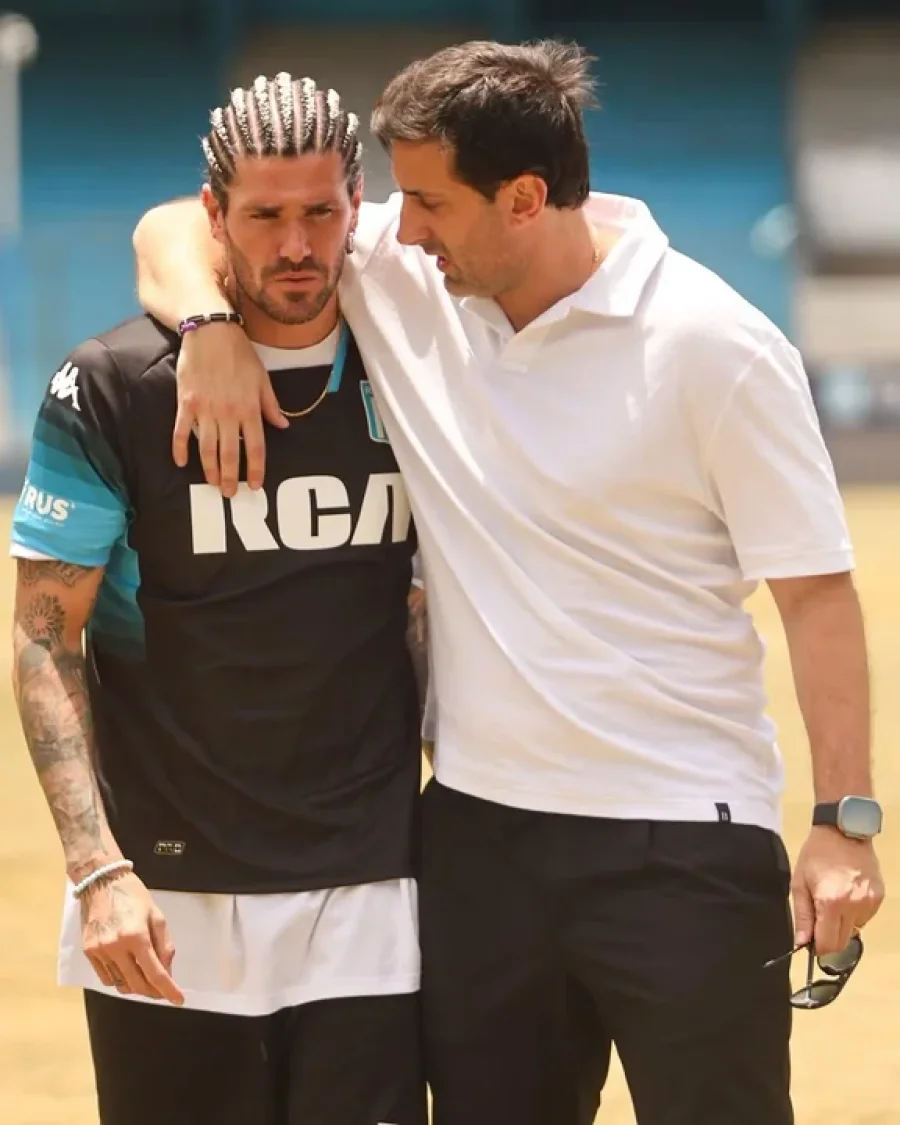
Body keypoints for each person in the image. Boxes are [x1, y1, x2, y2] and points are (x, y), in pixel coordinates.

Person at [131, 40, 885, 1125]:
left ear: (525, 197)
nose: (404, 228)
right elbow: (171, 223)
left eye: (430, 203)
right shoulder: (408, 269)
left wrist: (844, 824)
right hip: (478, 842)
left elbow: (817, 596)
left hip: (683, 839)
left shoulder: (715, 345)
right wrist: (207, 332)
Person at [11, 74, 428, 1125]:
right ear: (215, 217)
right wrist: (95, 868)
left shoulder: (423, 362)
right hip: (167, 890)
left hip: (372, 888)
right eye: (264, 216)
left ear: (359, 206)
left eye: (322, 213)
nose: (298, 245)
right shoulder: (115, 386)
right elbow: (42, 635)